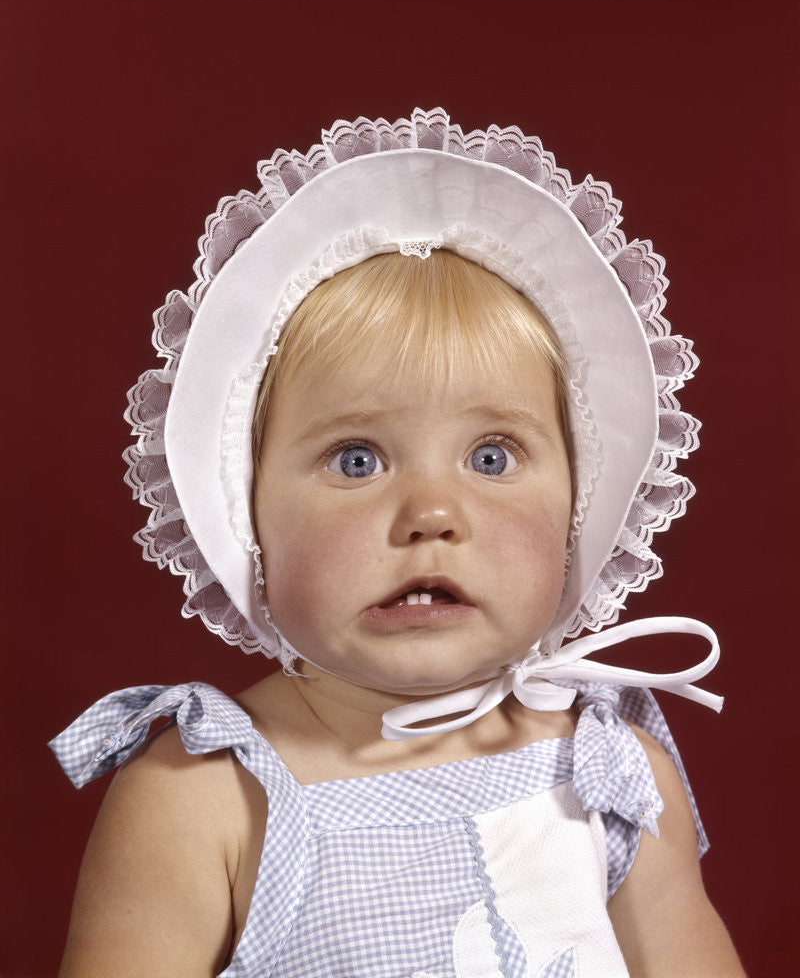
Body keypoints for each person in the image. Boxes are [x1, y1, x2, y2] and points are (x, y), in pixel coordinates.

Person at [50, 109, 744, 977]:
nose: (431, 512)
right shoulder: (206, 794)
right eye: (356, 457)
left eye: (492, 457)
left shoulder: (607, 764)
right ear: (242, 507)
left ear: (580, 504)